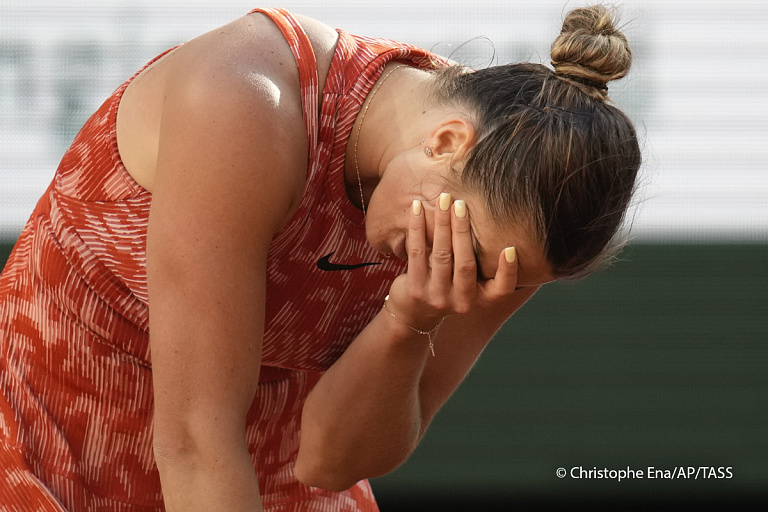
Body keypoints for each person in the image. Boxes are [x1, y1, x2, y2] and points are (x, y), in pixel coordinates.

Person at [0, 5, 641, 511]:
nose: (464, 281)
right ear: (447, 141)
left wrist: (407, 321)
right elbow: (196, 437)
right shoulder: (246, 97)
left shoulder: (516, 221)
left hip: (255, 475)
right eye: (469, 256)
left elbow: (330, 465)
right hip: (49, 437)